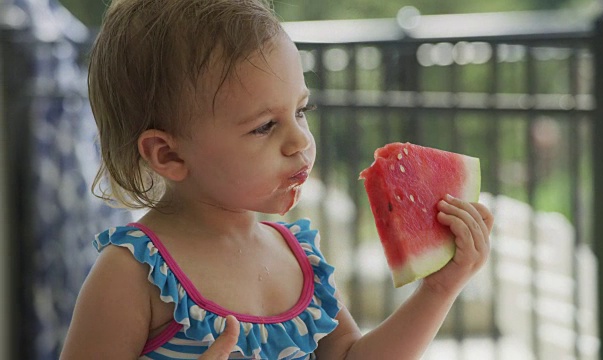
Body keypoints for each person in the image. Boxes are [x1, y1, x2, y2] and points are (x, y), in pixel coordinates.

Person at [60, 0, 494, 358]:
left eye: (300, 111)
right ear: (169, 154)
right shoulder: (132, 274)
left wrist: (437, 290)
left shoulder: (300, 258)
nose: (300, 141)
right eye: (265, 126)